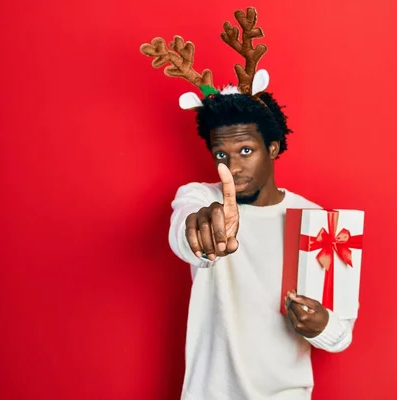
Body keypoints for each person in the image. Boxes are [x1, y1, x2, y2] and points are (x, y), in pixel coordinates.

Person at [140, 8, 356, 399]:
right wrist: (205, 231)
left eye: (245, 149)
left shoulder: (318, 221)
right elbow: (184, 233)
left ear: (272, 148)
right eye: (222, 155)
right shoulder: (200, 198)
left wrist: (322, 324)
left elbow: (341, 336)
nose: (233, 167)